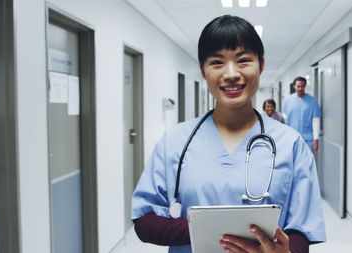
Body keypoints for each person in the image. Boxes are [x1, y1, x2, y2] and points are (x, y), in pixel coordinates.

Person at [131, 15, 325, 253]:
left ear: (261, 64)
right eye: (217, 62)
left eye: (243, 60)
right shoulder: (175, 142)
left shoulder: (291, 144)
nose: (232, 73)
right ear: (203, 70)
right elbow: (144, 220)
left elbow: (301, 232)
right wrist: (209, 229)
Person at [283, 77, 322, 152]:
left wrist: (316, 138)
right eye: (298, 86)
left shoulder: (312, 101)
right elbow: (285, 120)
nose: (300, 88)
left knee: (306, 161)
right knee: (292, 161)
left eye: (302, 86)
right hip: (291, 137)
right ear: (294, 86)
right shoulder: (287, 100)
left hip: (307, 139)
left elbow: (316, 120)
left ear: (305, 86)